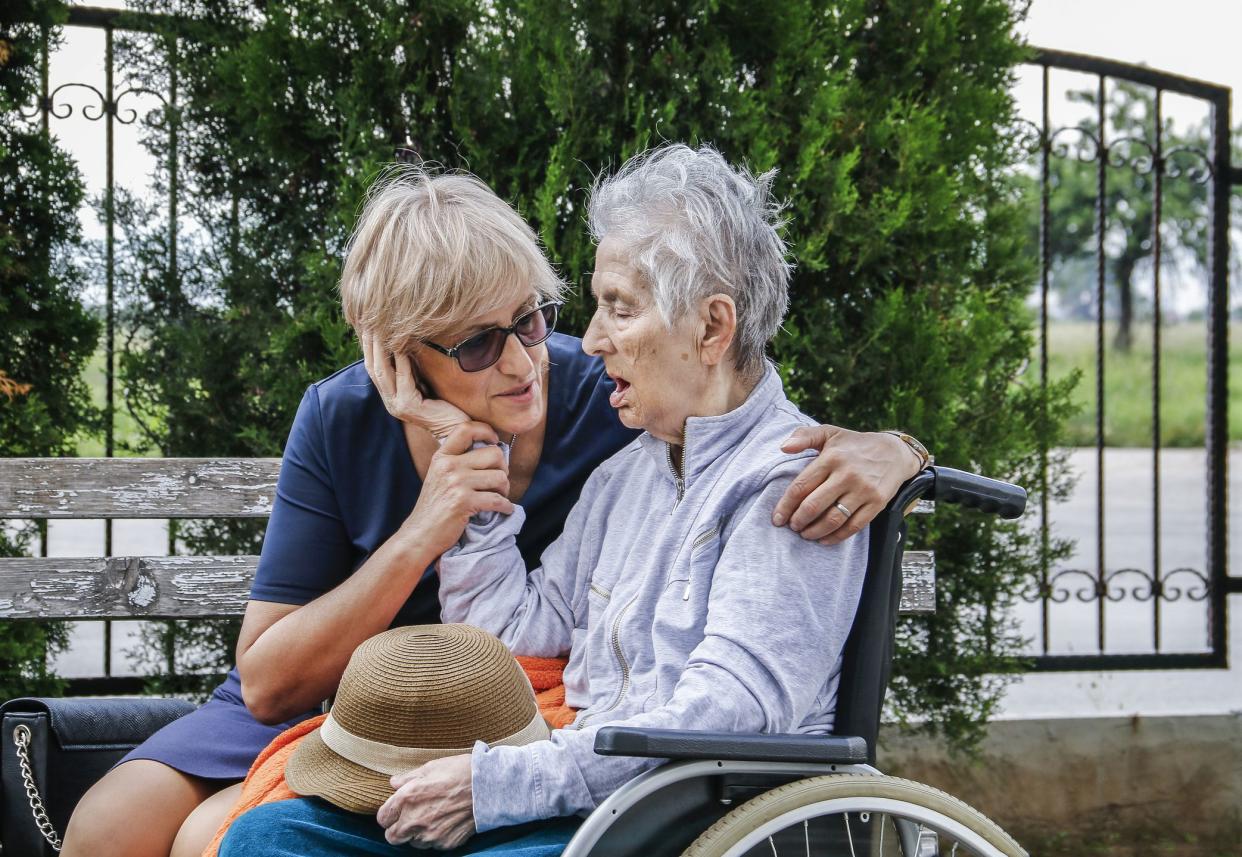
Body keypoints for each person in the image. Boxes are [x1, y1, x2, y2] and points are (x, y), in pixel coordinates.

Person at [62, 161, 927, 857]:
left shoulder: (782, 481)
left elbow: (725, 713)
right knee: (266, 837)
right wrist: (461, 490)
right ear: (409, 356)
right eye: (482, 342)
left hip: (638, 798)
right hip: (516, 757)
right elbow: (512, 633)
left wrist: (902, 449)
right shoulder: (629, 468)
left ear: (707, 328)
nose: (569, 346)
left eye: (604, 310)